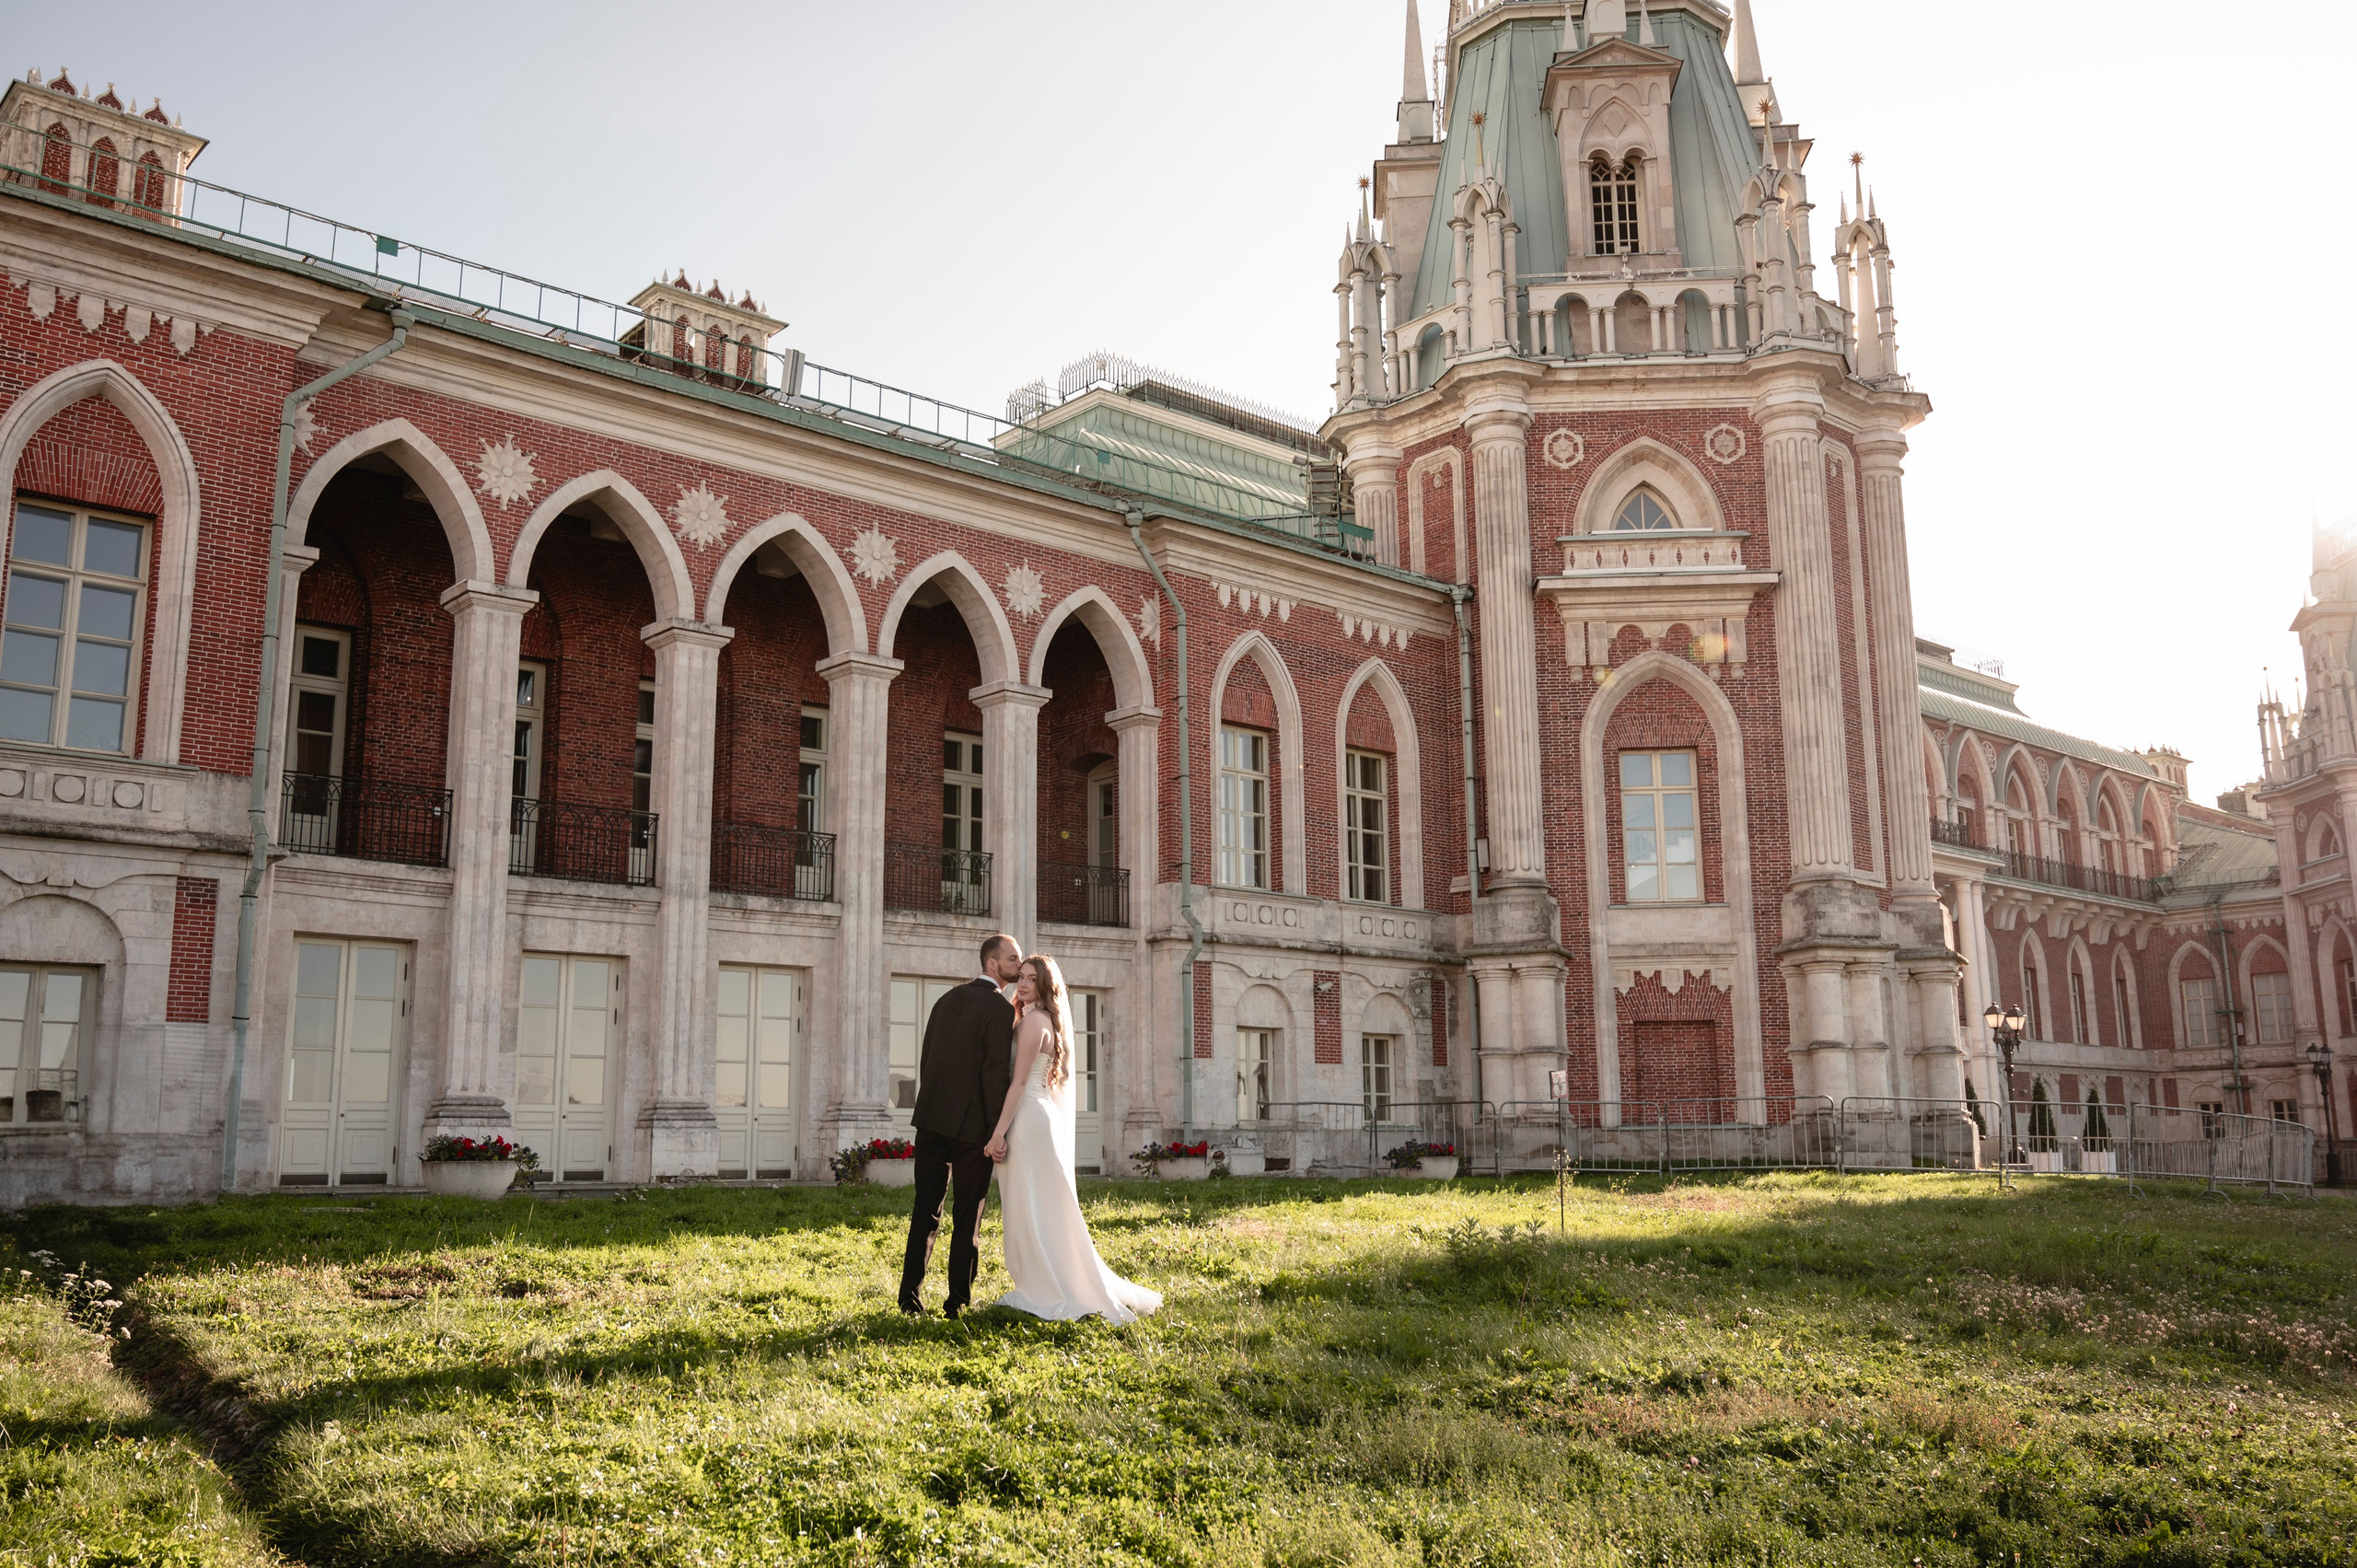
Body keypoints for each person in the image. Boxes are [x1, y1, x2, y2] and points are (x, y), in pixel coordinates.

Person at [984, 953, 1162, 1322]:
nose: (1023, 983)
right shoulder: (1038, 1018)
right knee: (1039, 1204)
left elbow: (1018, 1083)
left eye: (1032, 979)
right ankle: (1047, 1279)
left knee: (1031, 1205)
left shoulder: (1034, 1023)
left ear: (1046, 986)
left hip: (1027, 1117)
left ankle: (1043, 1287)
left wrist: (997, 1134)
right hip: (1035, 1115)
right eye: (1022, 977)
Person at [898, 933, 1021, 1318]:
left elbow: (927, 1060)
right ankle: (957, 1302)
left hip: (931, 1122)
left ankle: (909, 1299)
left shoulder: (945, 999)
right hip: (971, 1130)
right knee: (968, 1214)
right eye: (1013, 959)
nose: (1019, 966)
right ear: (992, 964)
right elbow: (994, 1074)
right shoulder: (1000, 1010)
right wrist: (995, 1133)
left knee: (925, 1210)